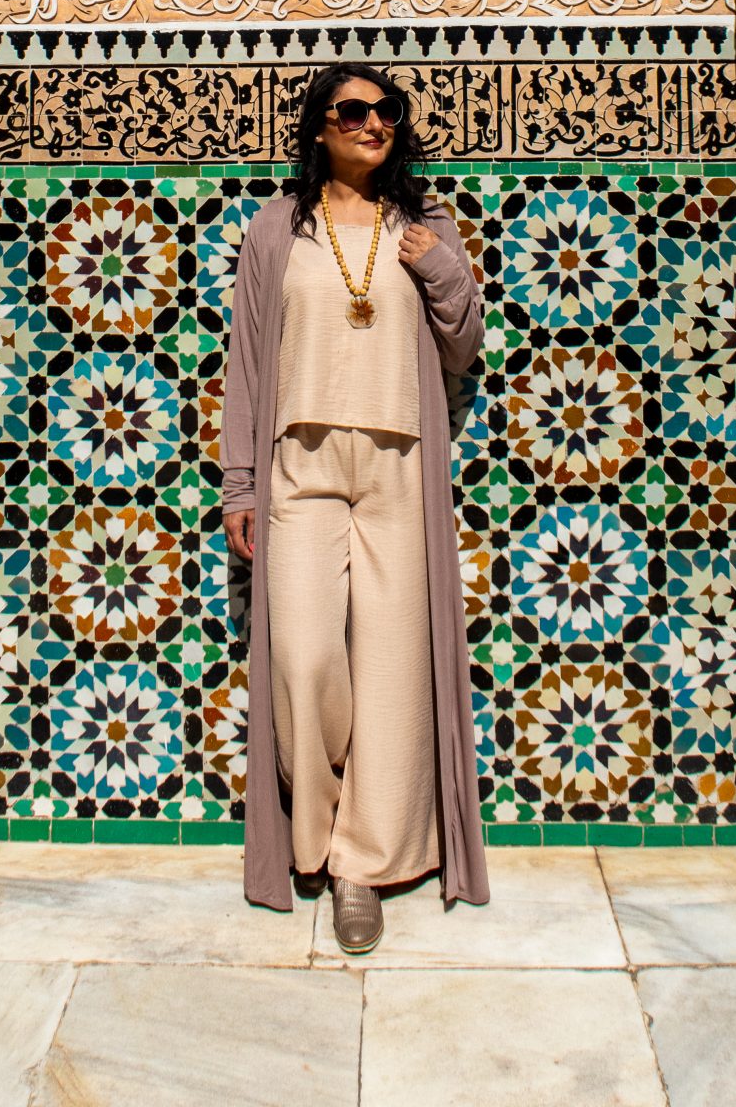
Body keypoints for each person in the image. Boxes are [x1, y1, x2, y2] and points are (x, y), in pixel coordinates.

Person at [219, 63, 490, 951]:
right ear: (319, 128)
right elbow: (250, 362)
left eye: (387, 112)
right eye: (353, 112)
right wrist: (239, 484)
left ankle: (360, 868)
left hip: (399, 467)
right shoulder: (276, 230)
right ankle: (316, 828)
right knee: (300, 655)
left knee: (392, 673)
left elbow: (464, 344)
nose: (373, 124)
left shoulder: (423, 225)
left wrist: (442, 268)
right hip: (300, 466)